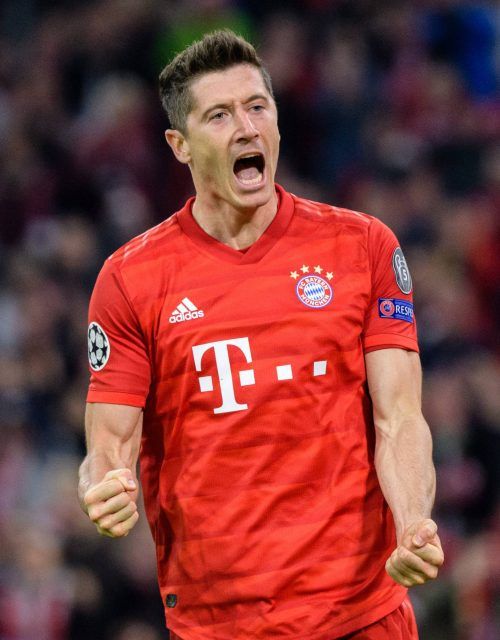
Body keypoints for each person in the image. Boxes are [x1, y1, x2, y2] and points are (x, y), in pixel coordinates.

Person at [79, 30, 444, 640]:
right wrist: (102, 487)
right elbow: (107, 448)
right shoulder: (130, 280)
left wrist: (413, 523)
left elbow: (399, 417)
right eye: (220, 115)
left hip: (361, 614)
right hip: (219, 623)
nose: (246, 128)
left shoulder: (362, 247)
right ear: (179, 145)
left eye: (257, 107)